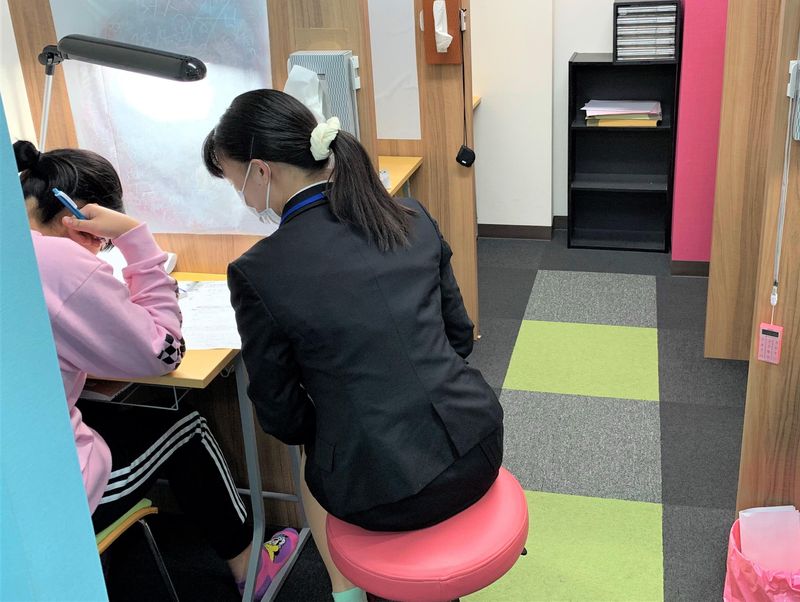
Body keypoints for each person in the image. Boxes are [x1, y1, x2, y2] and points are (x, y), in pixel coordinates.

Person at [203, 89, 504, 602]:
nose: (244, 198)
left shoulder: (259, 270)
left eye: (236, 183)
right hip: (479, 444)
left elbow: (283, 417)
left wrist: (345, 411)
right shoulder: (409, 215)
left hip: (386, 492)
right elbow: (459, 337)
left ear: (261, 171)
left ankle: (345, 592)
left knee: (316, 453)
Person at [15, 140, 297, 599]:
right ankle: (252, 569)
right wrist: (134, 239)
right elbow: (165, 352)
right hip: (44, 495)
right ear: (80, 217)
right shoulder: (60, 262)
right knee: (188, 427)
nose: (99, 249)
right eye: (100, 240)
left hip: (19, 462)